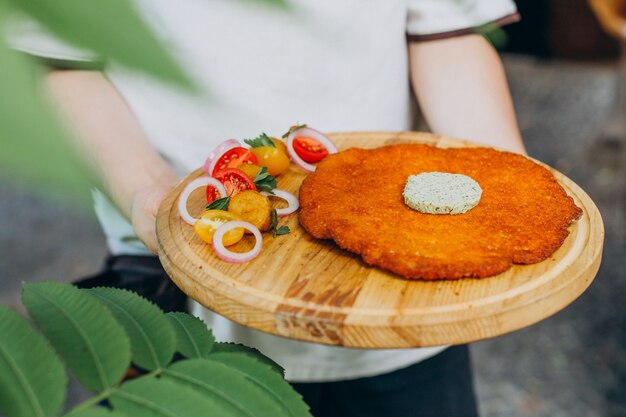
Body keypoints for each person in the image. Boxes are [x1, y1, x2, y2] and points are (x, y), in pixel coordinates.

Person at [12, 0, 526, 415]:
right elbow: (60, 59)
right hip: (174, 285)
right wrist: (150, 194)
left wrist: (506, 191)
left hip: (395, 304)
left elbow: (447, 29)